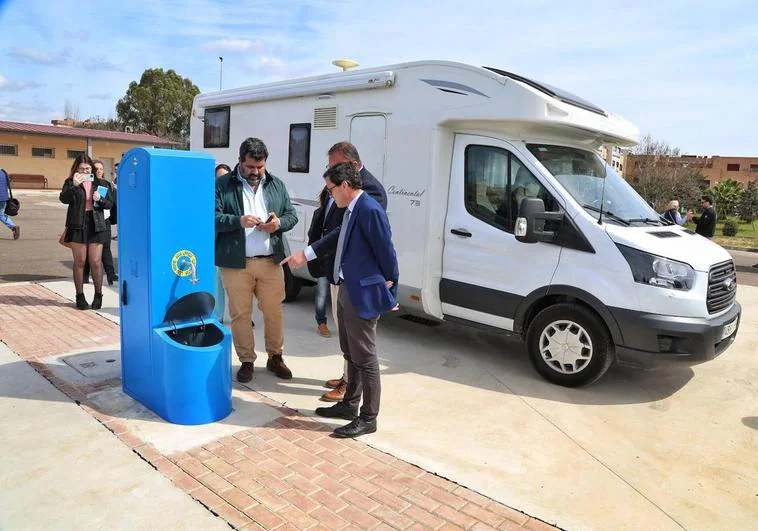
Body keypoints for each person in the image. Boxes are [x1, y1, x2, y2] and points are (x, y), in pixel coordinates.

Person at [283, 162, 399, 438]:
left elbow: (387, 251)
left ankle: (368, 417)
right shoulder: (351, 208)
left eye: (331, 188)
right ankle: (349, 406)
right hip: (347, 287)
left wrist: (389, 292)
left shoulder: (369, 209)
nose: (329, 194)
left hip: (363, 292)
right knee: (351, 353)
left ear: (345, 186)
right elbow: (337, 237)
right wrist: (308, 253)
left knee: (366, 358)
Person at [303, 141, 388, 402]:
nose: (330, 172)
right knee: (345, 337)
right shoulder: (338, 182)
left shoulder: (371, 192)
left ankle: (352, 391)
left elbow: (357, 235)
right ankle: (347, 381)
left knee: (357, 343)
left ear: (351, 165)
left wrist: (390, 286)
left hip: (356, 278)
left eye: (334, 165)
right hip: (337, 270)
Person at [215, 138, 298, 383]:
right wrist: (237, 221)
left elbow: (291, 215)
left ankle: (275, 357)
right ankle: (246, 361)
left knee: (274, 312)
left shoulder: (275, 184)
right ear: (240, 161)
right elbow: (211, 217)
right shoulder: (222, 185)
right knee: (240, 315)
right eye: (251, 167)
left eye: (260, 167)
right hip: (235, 263)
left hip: (271, 261)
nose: (256, 172)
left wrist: (278, 223)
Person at [60, 154, 114, 310]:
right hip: (77, 223)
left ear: (92, 168)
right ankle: (80, 295)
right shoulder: (70, 182)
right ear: (76, 169)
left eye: (88, 168)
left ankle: (98, 294)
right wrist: (75, 186)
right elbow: (64, 199)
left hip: (96, 224)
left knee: (96, 262)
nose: (85, 171)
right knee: (80, 262)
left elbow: (110, 204)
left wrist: (100, 199)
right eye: (81, 168)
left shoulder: (102, 184)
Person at [83, 160, 118, 285]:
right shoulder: (86, 183)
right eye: (96, 168)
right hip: (89, 221)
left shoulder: (107, 184)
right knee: (87, 250)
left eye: (101, 169)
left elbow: (110, 203)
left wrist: (100, 199)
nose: (98, 171)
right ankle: (85, 276)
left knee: (106, 248)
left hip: (104, 220)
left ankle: (110, 275)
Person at [213, 163, 231, 323]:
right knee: (217, 281)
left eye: (224, 176)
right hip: (216, 245)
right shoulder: (211, 196)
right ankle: (218, 315)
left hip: (233, 245)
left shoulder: (236, 195)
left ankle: (243, 316)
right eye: (218, 177)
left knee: (238, 284)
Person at [0, 168, 19, 240]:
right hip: (4, 198)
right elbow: (8, 183)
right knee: (1, 214)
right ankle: (13, 227)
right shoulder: (3, 172)